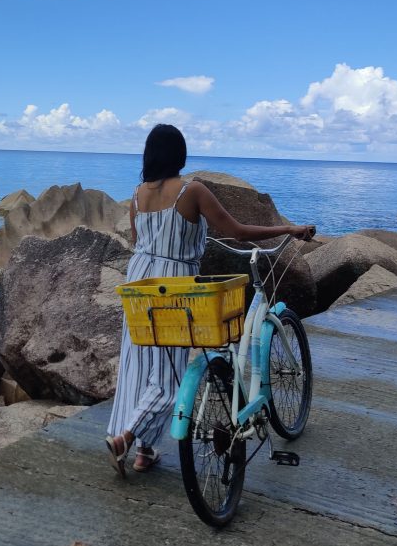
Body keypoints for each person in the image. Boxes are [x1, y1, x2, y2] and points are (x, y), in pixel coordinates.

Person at [105, 124, 314, 476]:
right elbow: (236, 231)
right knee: (169, 379)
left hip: (139, 280)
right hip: (172, 286)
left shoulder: (138, 194)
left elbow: (140, 239)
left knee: (138, 367)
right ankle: (126, 438)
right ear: (179, 154)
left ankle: (145, 452)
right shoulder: (192, 190)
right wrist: (286, 229)